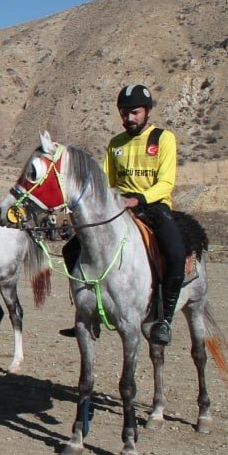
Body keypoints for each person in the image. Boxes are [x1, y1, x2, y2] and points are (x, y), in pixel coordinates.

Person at [61, 84, 185, 345]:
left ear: (147, 111)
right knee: (71, 249)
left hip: (153, 207)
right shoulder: (115, 143)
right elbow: (106, 183)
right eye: (124, 113)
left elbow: (166, 182)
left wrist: (138, 199)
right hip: (119, 208)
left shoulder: (163, 138)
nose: (129, 118)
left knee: (175, 252)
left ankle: (164, 319)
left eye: (135, 112)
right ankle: (84, 312)